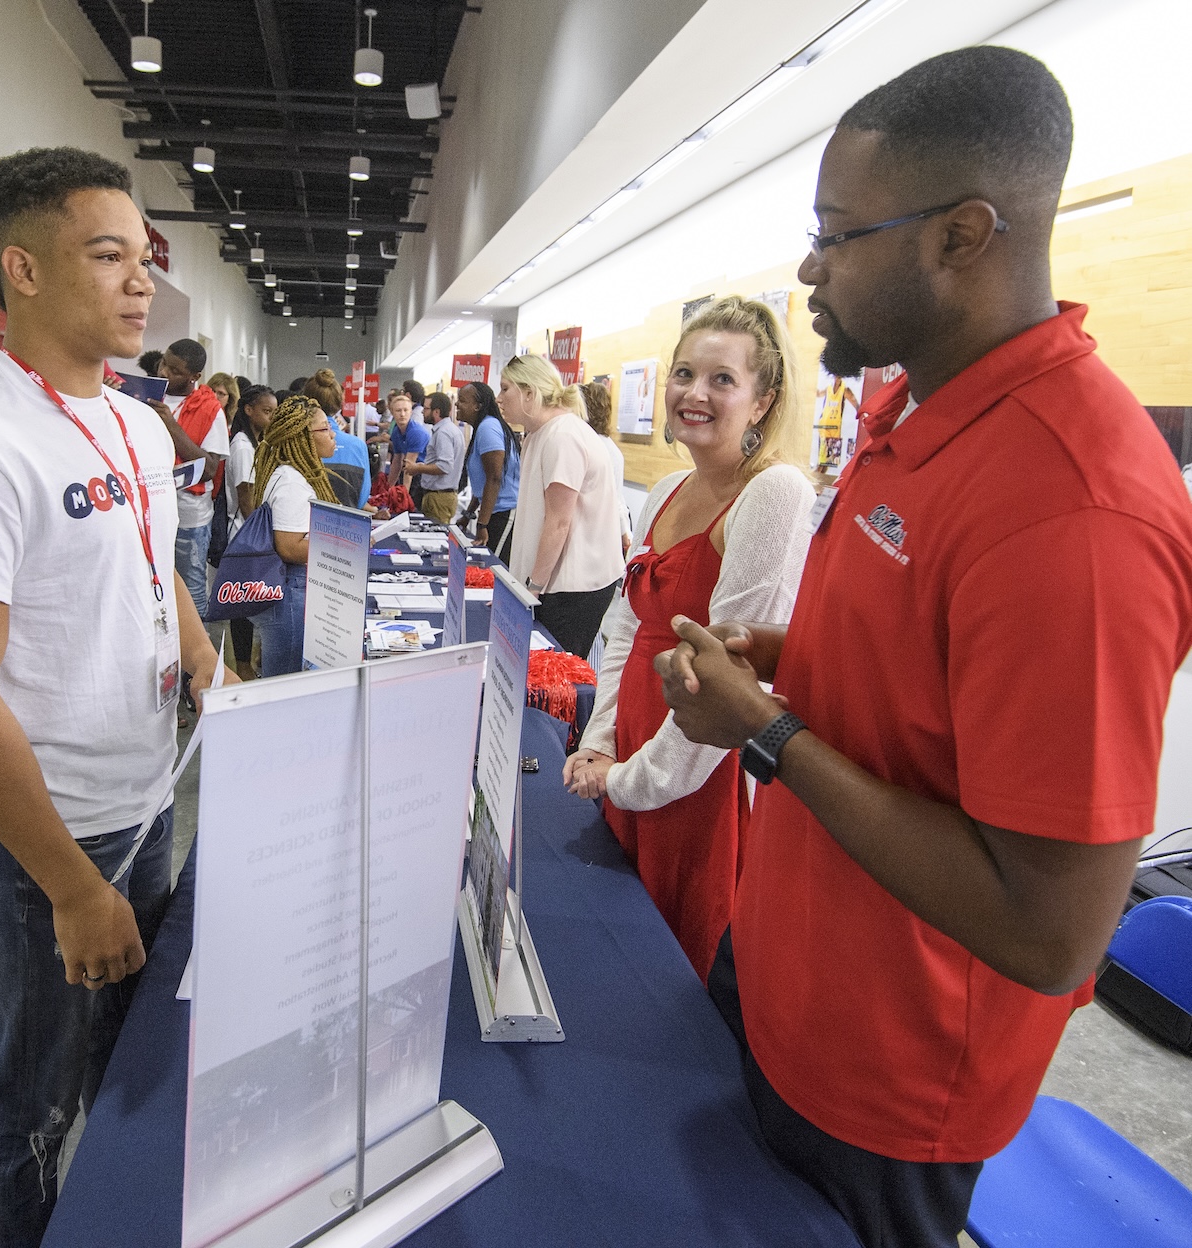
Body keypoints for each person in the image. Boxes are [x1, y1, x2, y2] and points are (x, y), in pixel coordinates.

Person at [655, 48, 1192, 1248]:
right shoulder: (918, 412)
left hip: (885, 1082)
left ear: (961, 236)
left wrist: (767, 733)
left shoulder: (1078, 509)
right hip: (786, 969)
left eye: (837, 234)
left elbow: (1049, 932)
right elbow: (923, 674)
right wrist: (783, 653)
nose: (807, 266)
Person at [0, 146, 234, 1248]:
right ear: (22, 270)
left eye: (143, 258)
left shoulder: (136, 421)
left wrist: (206, 664)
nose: (141, 282)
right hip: (36, 845)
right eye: (107, 255)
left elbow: (154, 570)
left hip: (142, 809)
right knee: (28, 1109)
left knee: (129, 1067)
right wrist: (72, 886)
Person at [564, 297, 814, 980]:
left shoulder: (773, 494)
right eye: (683, 373)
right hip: (634, 754)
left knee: (667, 974)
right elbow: (625, 628)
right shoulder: (671, 487)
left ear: (764, 401)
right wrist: (599, 741)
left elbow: (730, 687)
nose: (693, 394)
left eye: (722, 380)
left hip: (695, 777)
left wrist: (631, 781)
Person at [501, 354, 625, 658]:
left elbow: (558, 522)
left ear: (529, 393)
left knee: (556, 682)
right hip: (553, 584)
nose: (499, 398)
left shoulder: (563, 436)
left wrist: (532, 587)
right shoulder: (540, 434)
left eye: (505, 389)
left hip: (572, 589)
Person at [250, 395, 339, 677]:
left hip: (292, 589)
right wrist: (344, 546)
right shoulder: (292, 482)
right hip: (289, 592)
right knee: (284, 683)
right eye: (325, 428)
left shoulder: (292, 475)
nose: (333, 434)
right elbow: (289, 547)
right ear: (302, 437)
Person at [148, 338, 229, 622]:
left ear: (195, 377)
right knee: (148, 585)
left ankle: (196, 663)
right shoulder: (145, 394)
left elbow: (209, 468)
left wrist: (171, 426)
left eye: (174, 370)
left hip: (189, 516)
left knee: (190, 587)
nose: (163, 373)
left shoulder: (210, 409)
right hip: (148, 507)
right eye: (163, 363)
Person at [226, 384, 276, 681]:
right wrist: (261, 538)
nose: (271, 418)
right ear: (249, 410)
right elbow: (246, 497)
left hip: (251, 531)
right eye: (266, 411)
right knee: (242, 606)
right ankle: (242, 666)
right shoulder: (244, 446)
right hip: (245, 534)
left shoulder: (255, 442)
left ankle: (247, 663)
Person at [458, 381, 520, 559]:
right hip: (495, 512)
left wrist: (481, 524)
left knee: (494, 570)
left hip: (504, 513)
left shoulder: (487, 427)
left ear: (478, 406)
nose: (456, 404)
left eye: (462, 400)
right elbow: (483, 482)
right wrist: (468, 514)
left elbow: (494, 477)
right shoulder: (483, 427)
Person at [302, 368, 370, 508]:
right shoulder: (357, 445)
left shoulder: (296, 445)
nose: (331, 436)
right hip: (349, 523)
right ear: (340, 403)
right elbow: (362, 497)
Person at [581, 380, 633, 555]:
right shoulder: (608, 447)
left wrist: (624, 532)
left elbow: (615, 498)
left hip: (599, 533)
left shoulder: (598, 447)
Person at [406, 391, 466, 523]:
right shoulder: (450, 430)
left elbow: (444, 466)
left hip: (439, 498)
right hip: (441, 496)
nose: (422, 412)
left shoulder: (443, 433)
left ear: (436, 412)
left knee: (436, 538)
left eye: (426, 409)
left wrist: (418, 468)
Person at [385, 390, 429, 493]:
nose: (402, 414)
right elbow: (397, 461)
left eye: (405, 410)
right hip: (411, 470)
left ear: (411, 412)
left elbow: (410, 465)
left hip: (422, 474)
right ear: (392, 412)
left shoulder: (416, 432)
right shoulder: (396, 431)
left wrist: (404, 495)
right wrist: (388, 489)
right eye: (398, 410)